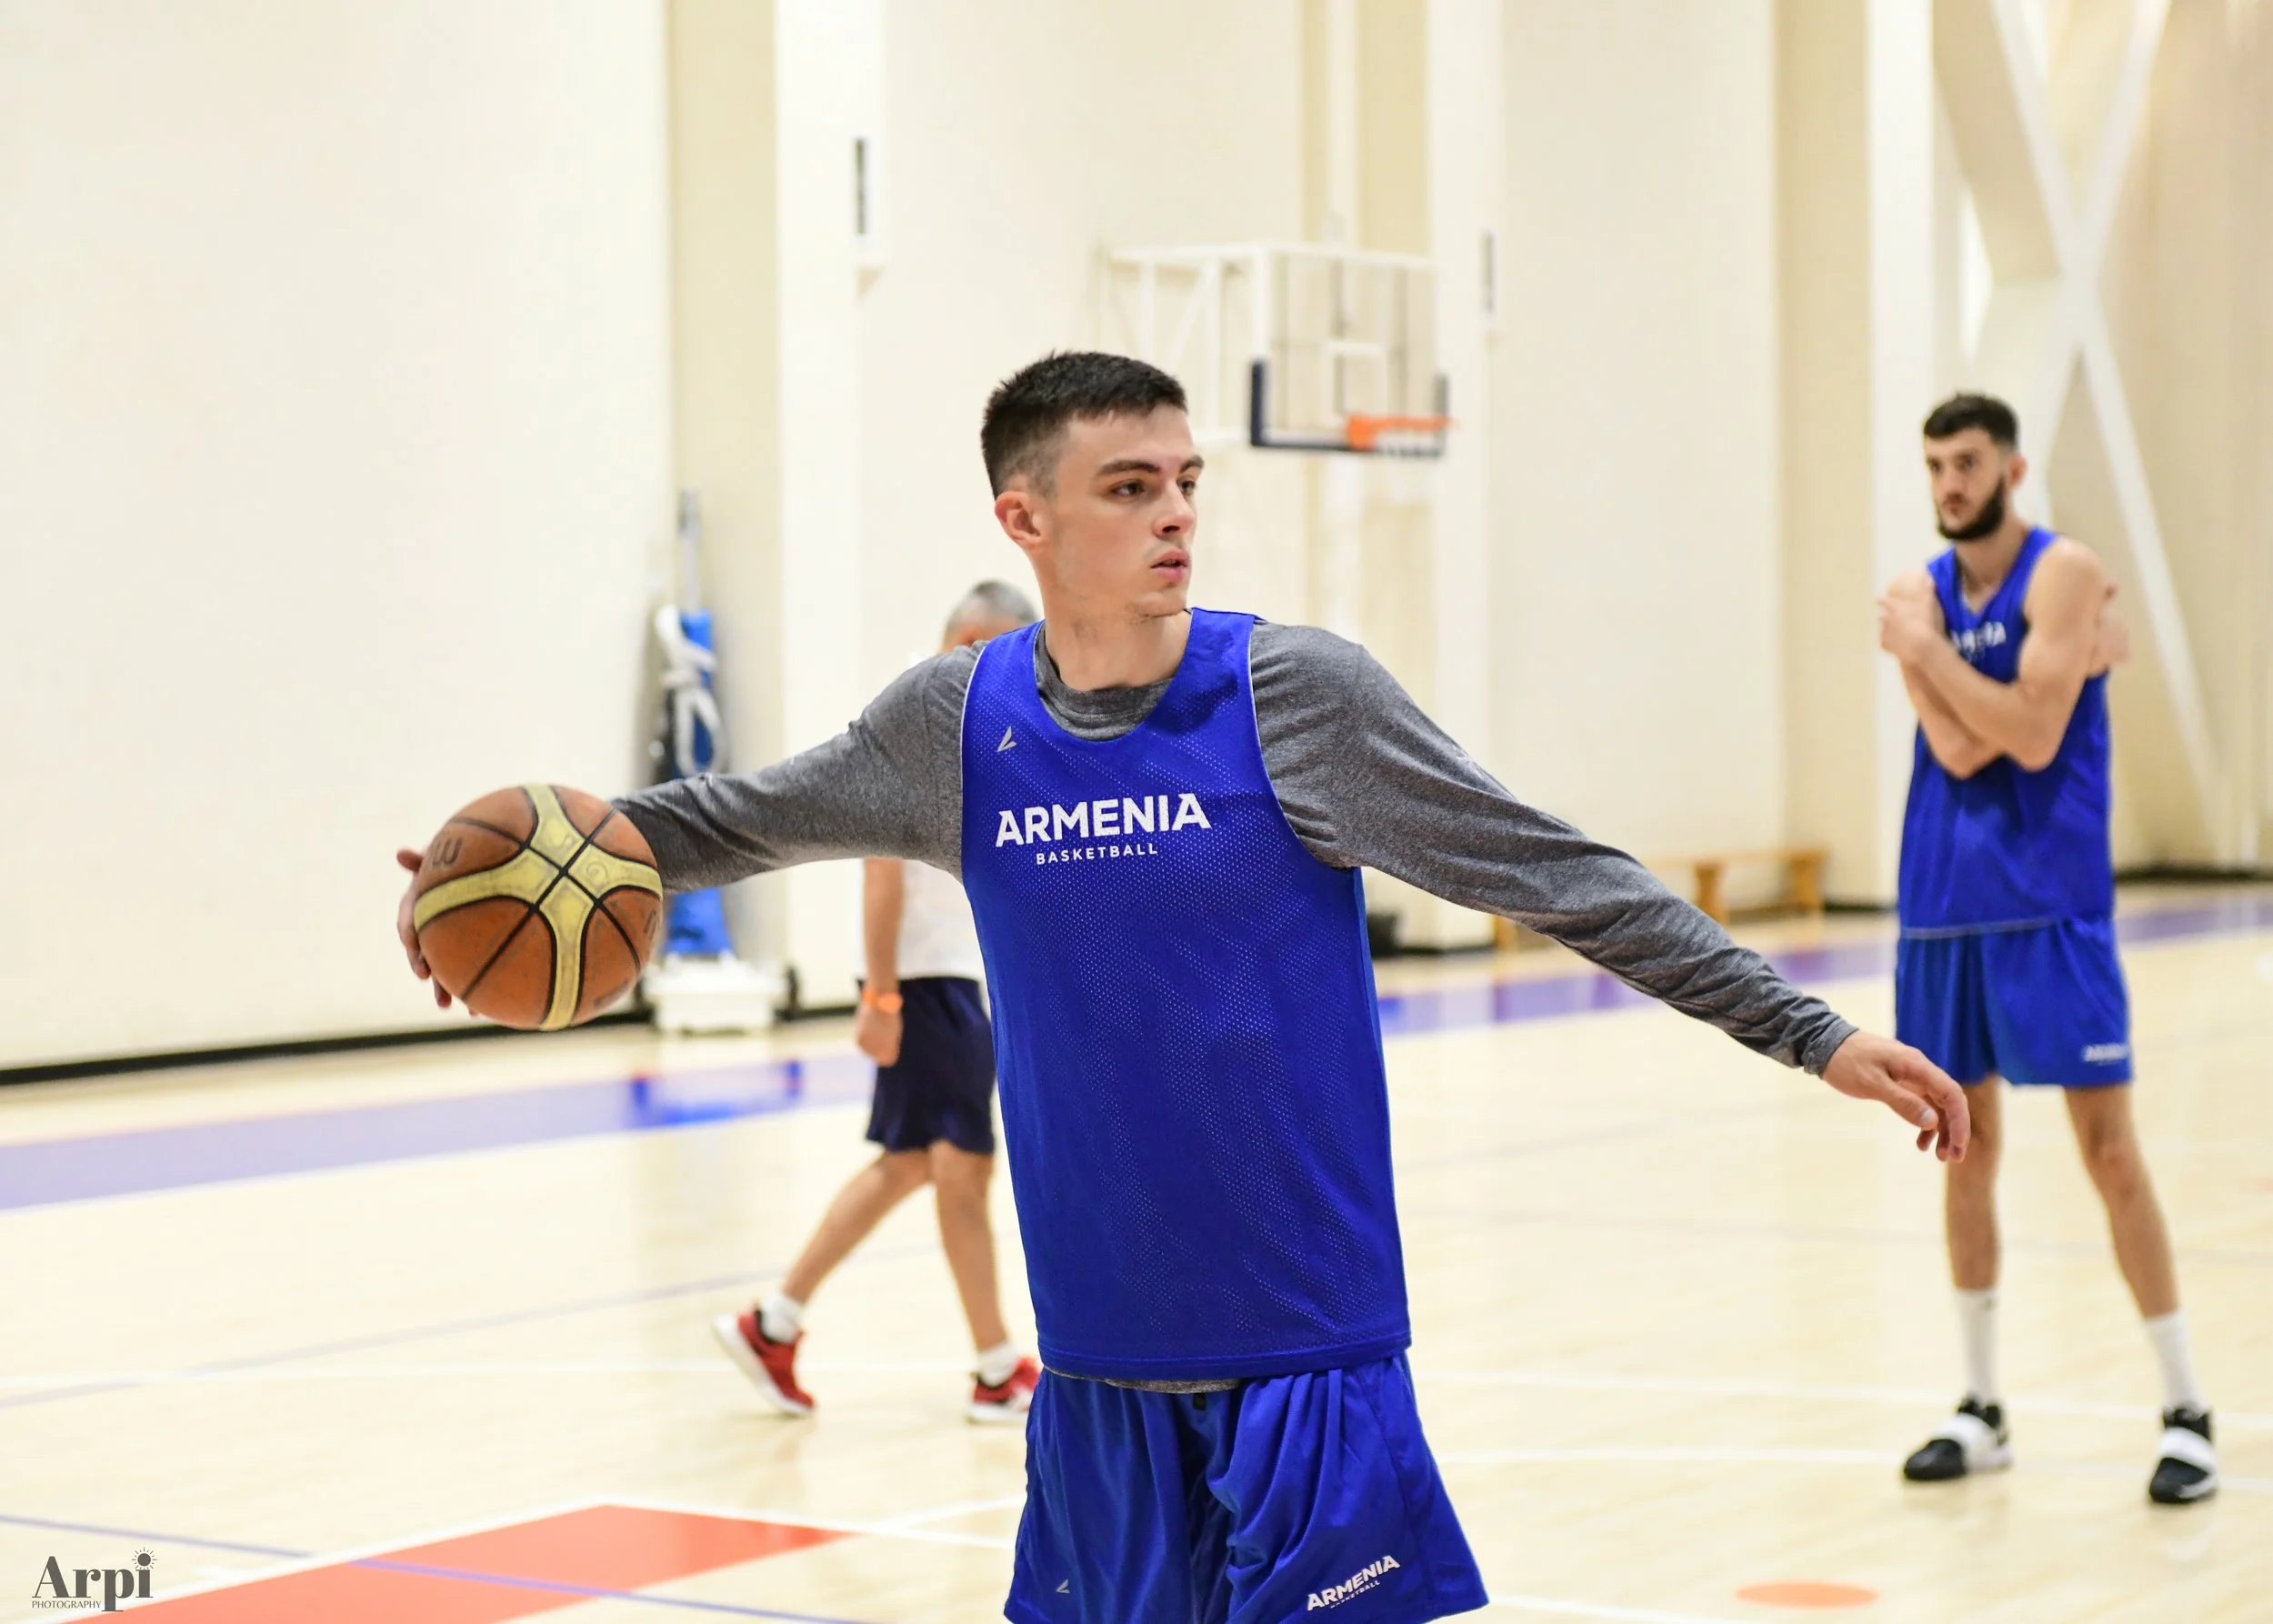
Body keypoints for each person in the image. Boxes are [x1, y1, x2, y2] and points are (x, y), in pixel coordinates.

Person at [400, 352, 1967, 1624]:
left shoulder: (1298, 699)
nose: (1174, 517)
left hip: (1307, 1351)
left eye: (1186, 483)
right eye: (1129, 487)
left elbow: (1558, 875)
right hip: (1097, 1369)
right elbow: (707, 827)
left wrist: (1809, 1029)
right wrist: (480, 884)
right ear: (1026, 519)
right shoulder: (956, 728)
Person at [1877, 392, 2215, 1506]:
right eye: (1933, 466)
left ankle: (2184, 1408)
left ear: (2011, 468)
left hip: (2051, 905)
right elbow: (1959, 747)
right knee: (1961, 1153)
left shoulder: (2065, 573)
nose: (1947, 485)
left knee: (2108, 1152)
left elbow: (2027, 736)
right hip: (1940, 904)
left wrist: (1935, 659)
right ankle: (1979, 1406)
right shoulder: (1912, 592)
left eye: (1965, 463)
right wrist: (1978, 684)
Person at [712, 582, 1044, 1424]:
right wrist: (884, 993)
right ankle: (996, 1367)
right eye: (1011, 647)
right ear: (969, 639)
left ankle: (774, 1323)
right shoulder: (917, 722)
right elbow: (879, 870)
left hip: (948, 979)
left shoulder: (974, 724)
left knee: (913, 1163)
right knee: (960, 1168)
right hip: (927, 984)